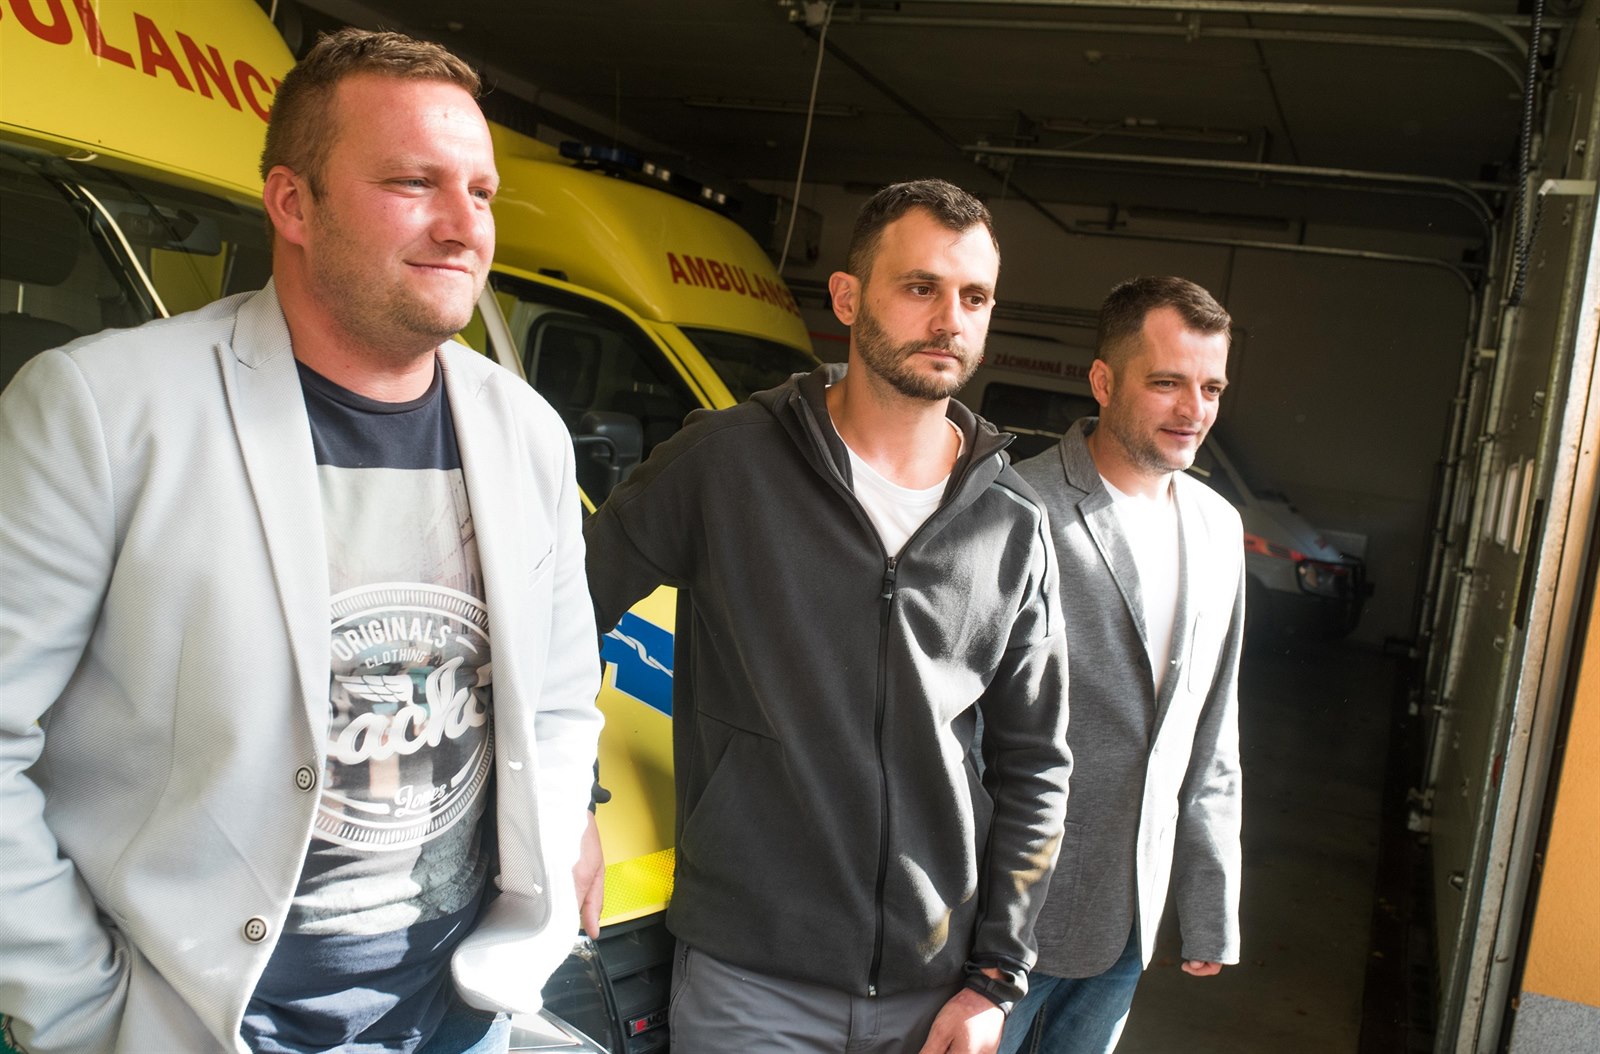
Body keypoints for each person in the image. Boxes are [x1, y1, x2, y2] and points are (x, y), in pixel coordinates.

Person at [0, 29, 605, 1054]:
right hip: (203, 1022)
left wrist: (534, 904)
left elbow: (554, 704)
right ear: (292, 202)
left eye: (482, 192)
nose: (465, 225)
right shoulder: (102, 409)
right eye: (414, 182)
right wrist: (79, 1009)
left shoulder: (528, 433)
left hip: (456, 1017)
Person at [584, 179, 1072, 1054]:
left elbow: (1036, 764)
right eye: (919, 287)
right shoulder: (728, 463)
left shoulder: (1011, 524)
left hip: (932, 995)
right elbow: (559, 614)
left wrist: (996, 977)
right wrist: (567, 802)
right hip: (749, 984)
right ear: (847, 298)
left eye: (974, 297)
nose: (949, 320)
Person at [1000, 276, 1244, 1054]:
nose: (1193, 409)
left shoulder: (1219, 528)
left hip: (1131, 917)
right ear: (1103, 382)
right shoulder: (1017, 507)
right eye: (1168, 382)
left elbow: (1212, 729)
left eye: (1211, 388)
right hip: (1003, 919)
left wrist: (1208, 904)